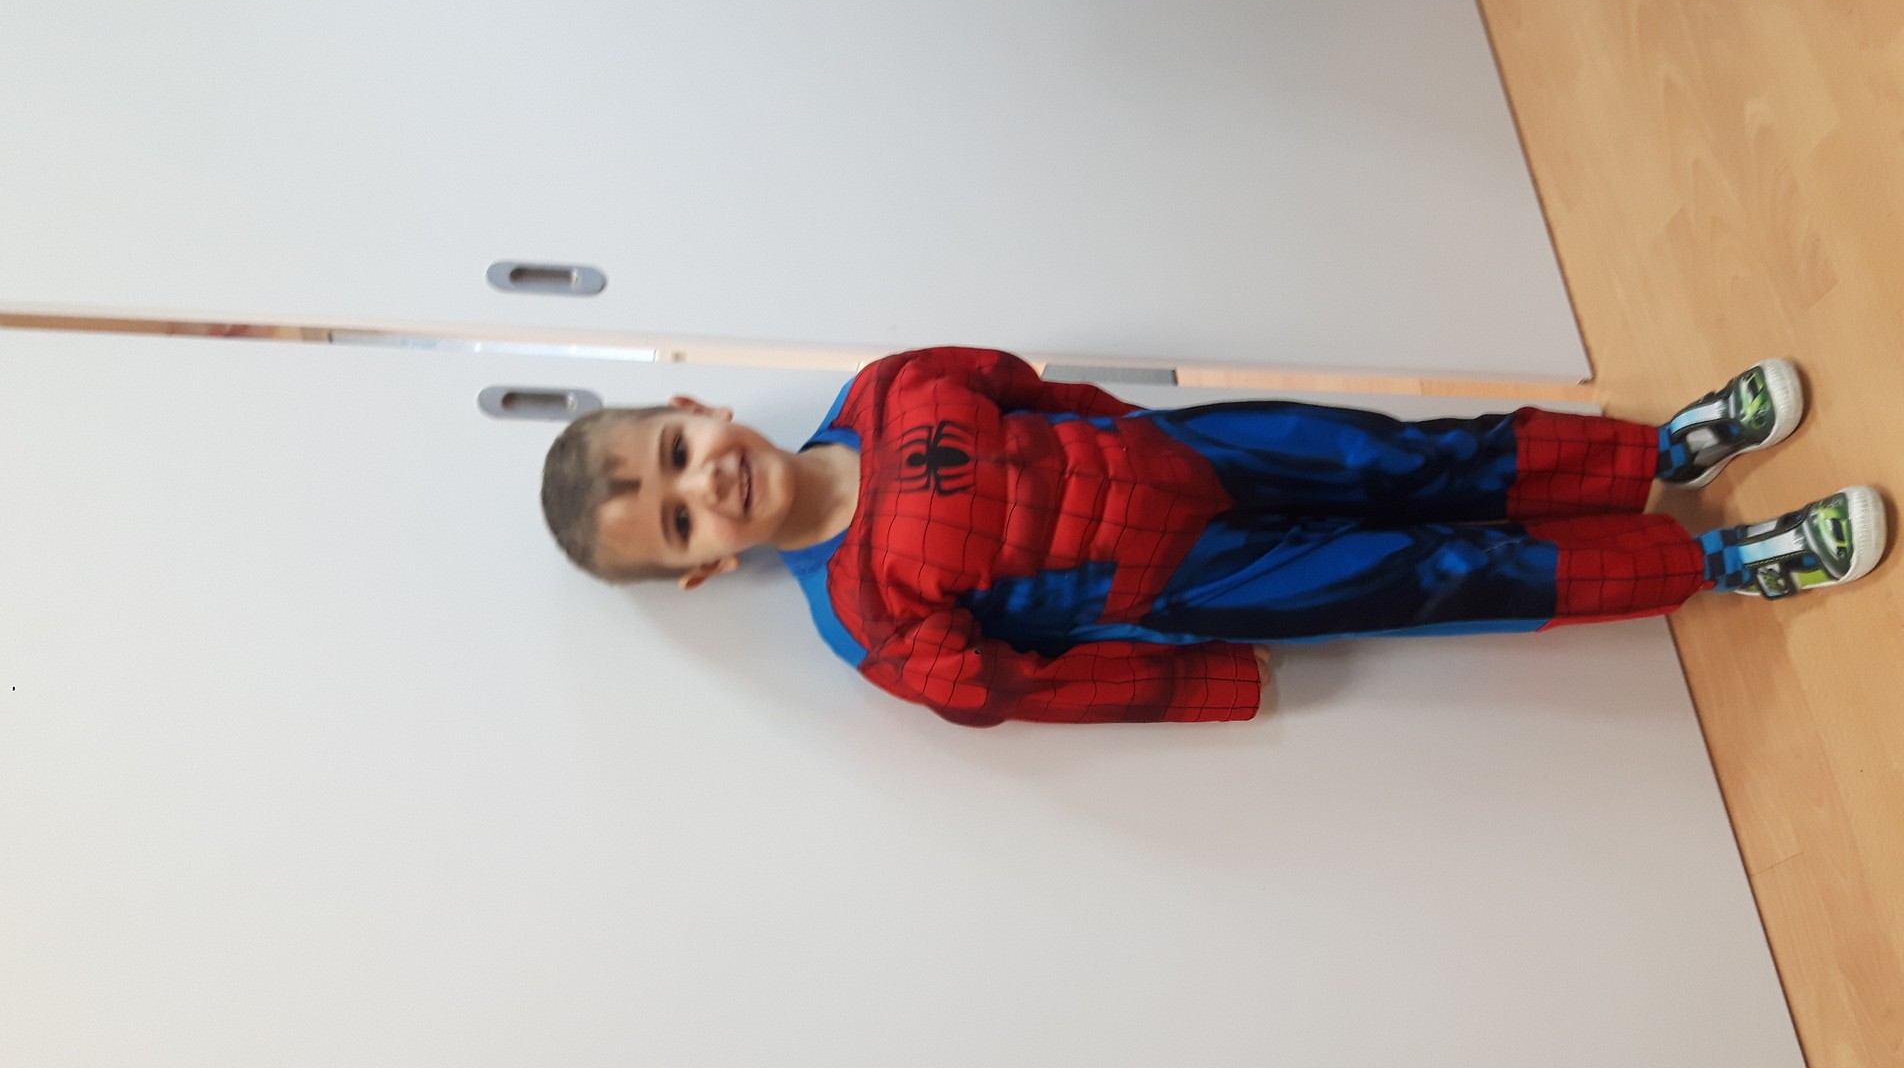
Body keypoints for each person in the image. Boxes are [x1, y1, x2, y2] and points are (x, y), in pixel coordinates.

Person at [540, 348, 1886, 727]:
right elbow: (1037, 688)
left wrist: (1133, 426)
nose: (704, 485)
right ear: (703, 566)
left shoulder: (894, 387)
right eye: (676, 519)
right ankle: (1728, 564)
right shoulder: (868, 626)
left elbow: (1034, 388)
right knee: (1438, 573)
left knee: (1421, 458)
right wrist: (1202, 686)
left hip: (1194, 450)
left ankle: (1659, 457)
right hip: (1201, 582)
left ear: (700, 411)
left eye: (676, 454)